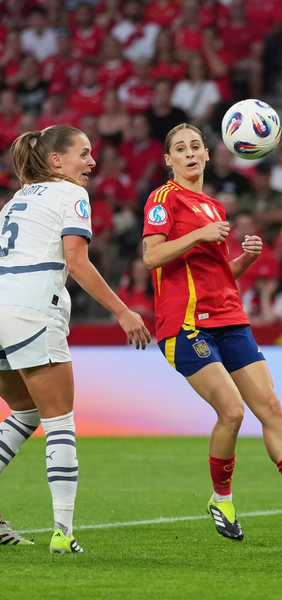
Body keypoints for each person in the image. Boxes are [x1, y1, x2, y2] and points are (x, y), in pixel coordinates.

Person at [141, 124, 282, 541]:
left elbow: (218, 275)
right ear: (169, 160)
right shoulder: (163, 199)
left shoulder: (214, 206)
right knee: (232, 411)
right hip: (186, 324)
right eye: (180, 148)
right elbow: (151, 256)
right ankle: (221, 499)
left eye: (196, 146)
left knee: (269, 405)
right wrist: (199, 234)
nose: (190, 153)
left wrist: (245, 260)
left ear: (208, 154)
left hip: (230, 318)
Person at [0, 125, 151, 554]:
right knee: (59, 420)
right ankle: (63, 534)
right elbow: (76, 261)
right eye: (83, 154)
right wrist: (122, 311)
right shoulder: (71, 195)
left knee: (26, 414)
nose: (91, 162)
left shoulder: (15, 201)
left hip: (0, 309)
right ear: (56, 162)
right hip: (33, 309)